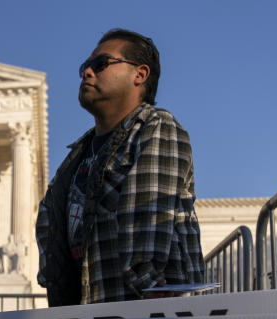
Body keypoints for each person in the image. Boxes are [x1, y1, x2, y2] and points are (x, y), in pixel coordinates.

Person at [36, 29, 205, 305]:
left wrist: (147, 279)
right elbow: (49, 226)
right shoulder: (76, 156)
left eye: (101, 64)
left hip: (149, 313)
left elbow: (149, 209)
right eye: (84, 66)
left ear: (139, 74)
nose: (87, 72)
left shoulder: (154, 126)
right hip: (87, 315)